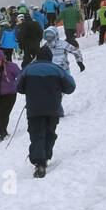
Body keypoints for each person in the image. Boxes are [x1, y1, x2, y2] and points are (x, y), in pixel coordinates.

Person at [17, 45, 76, 178]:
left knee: (37, 135)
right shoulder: (57, 69)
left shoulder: (28, 69)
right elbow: (70, 87)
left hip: (34, 109)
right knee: (50, 133)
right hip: (53, 109)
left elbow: (19, 87)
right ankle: (46, 156)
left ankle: (40, 162)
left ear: (37, 57)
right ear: (50, 57)